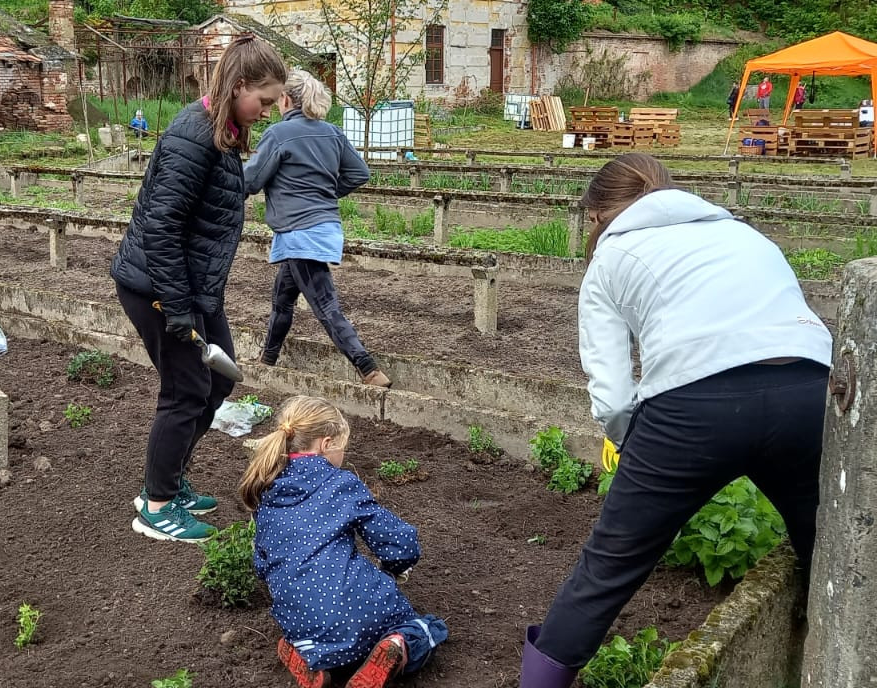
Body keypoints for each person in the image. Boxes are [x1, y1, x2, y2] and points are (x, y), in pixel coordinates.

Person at [520, 153, 832, 688]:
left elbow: (615, 396)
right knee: (825, 539)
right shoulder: (745, 235)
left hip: (693, 408)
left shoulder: (613, 255)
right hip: (806, 391)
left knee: (609, 568)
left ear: (597, 216)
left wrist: (632, 449)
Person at [110, 35, 288, 543]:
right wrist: (179, 309)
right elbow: (163, 227)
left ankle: (168, 481)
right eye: (265, 101)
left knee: (219, 382)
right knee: (186, 390)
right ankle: (156, 506)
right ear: (238, 86)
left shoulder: (222, 130)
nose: (267, 113)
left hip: (190, 288)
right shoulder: (195, 136)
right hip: (158, 289)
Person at [239, 395, 448, 688]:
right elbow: (401, 543)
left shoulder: (267, 490)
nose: (343, 457)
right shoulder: (340, 483)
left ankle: (307, 655)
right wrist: (392, 568)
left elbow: (262, 565)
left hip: (301, 619)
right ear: (326, 444)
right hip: (361, 612)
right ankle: (397, 647)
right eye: (342, 448)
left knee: (310, 624)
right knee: (427, 629)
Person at [244, 69, 390, 387]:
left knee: (325, 306)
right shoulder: (332, 133)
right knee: (282, 300)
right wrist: (326, 194)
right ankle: (266, 361)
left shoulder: (279, 134)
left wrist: (220, 178)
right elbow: (359, 173)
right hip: (321, 230)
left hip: (299, 234)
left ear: (285, 98)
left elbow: (251, 180)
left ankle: (369, 370)